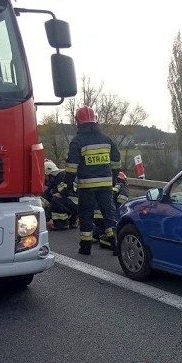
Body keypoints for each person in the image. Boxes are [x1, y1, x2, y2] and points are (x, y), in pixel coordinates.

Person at [64, 106, 121, 255]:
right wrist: (113, 179)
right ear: (95, 120)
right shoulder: (107, 139)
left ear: (78, 122)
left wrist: (67, 185)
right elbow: (116, 162)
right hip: (106, 185)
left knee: (86, 215)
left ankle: (85, 247)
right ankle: (115, 243)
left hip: (86, 186)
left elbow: (71, 167)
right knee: (109, 214)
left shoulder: (78, 141)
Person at [94, 170, 131, 248]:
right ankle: (107, 239)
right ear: (123, 180)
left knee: (100, 227)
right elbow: (122, 203)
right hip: (108, 217)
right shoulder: (122, 187)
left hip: (96, 216)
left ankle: (95, 233)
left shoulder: (105, 184)